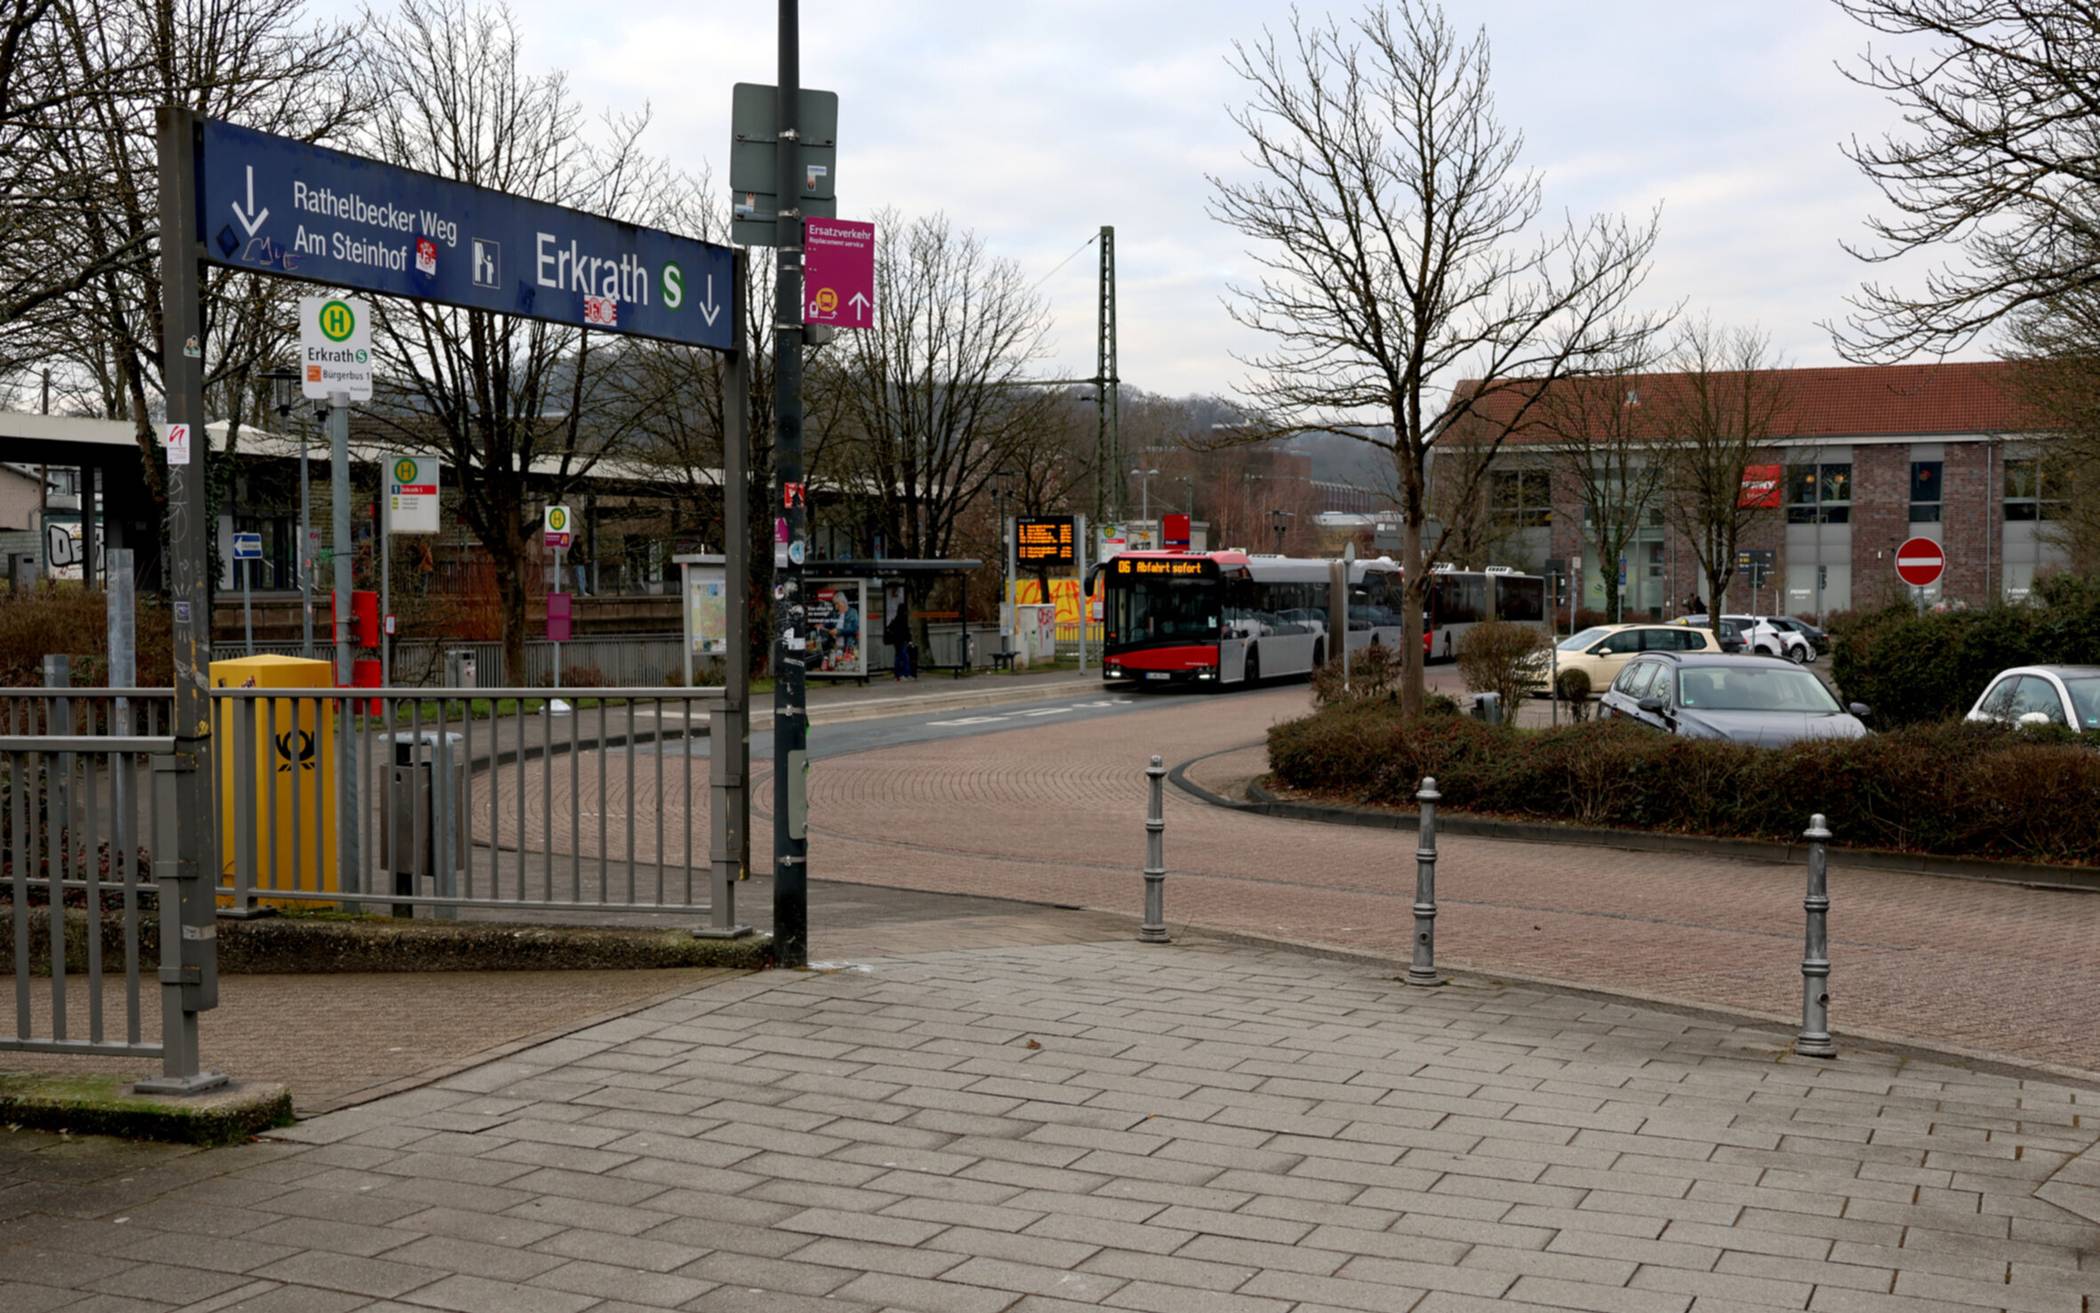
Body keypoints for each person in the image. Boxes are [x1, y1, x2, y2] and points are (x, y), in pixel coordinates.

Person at [885, 594, 915, 680]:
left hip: (897, 641)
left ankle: (899, 674)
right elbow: (906, 631)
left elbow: (890, 629)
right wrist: (909, 640)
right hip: (902, 641)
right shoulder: (902, 619)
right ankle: (904, 673)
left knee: (900, 657)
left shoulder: (896, 620)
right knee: (904, 657)